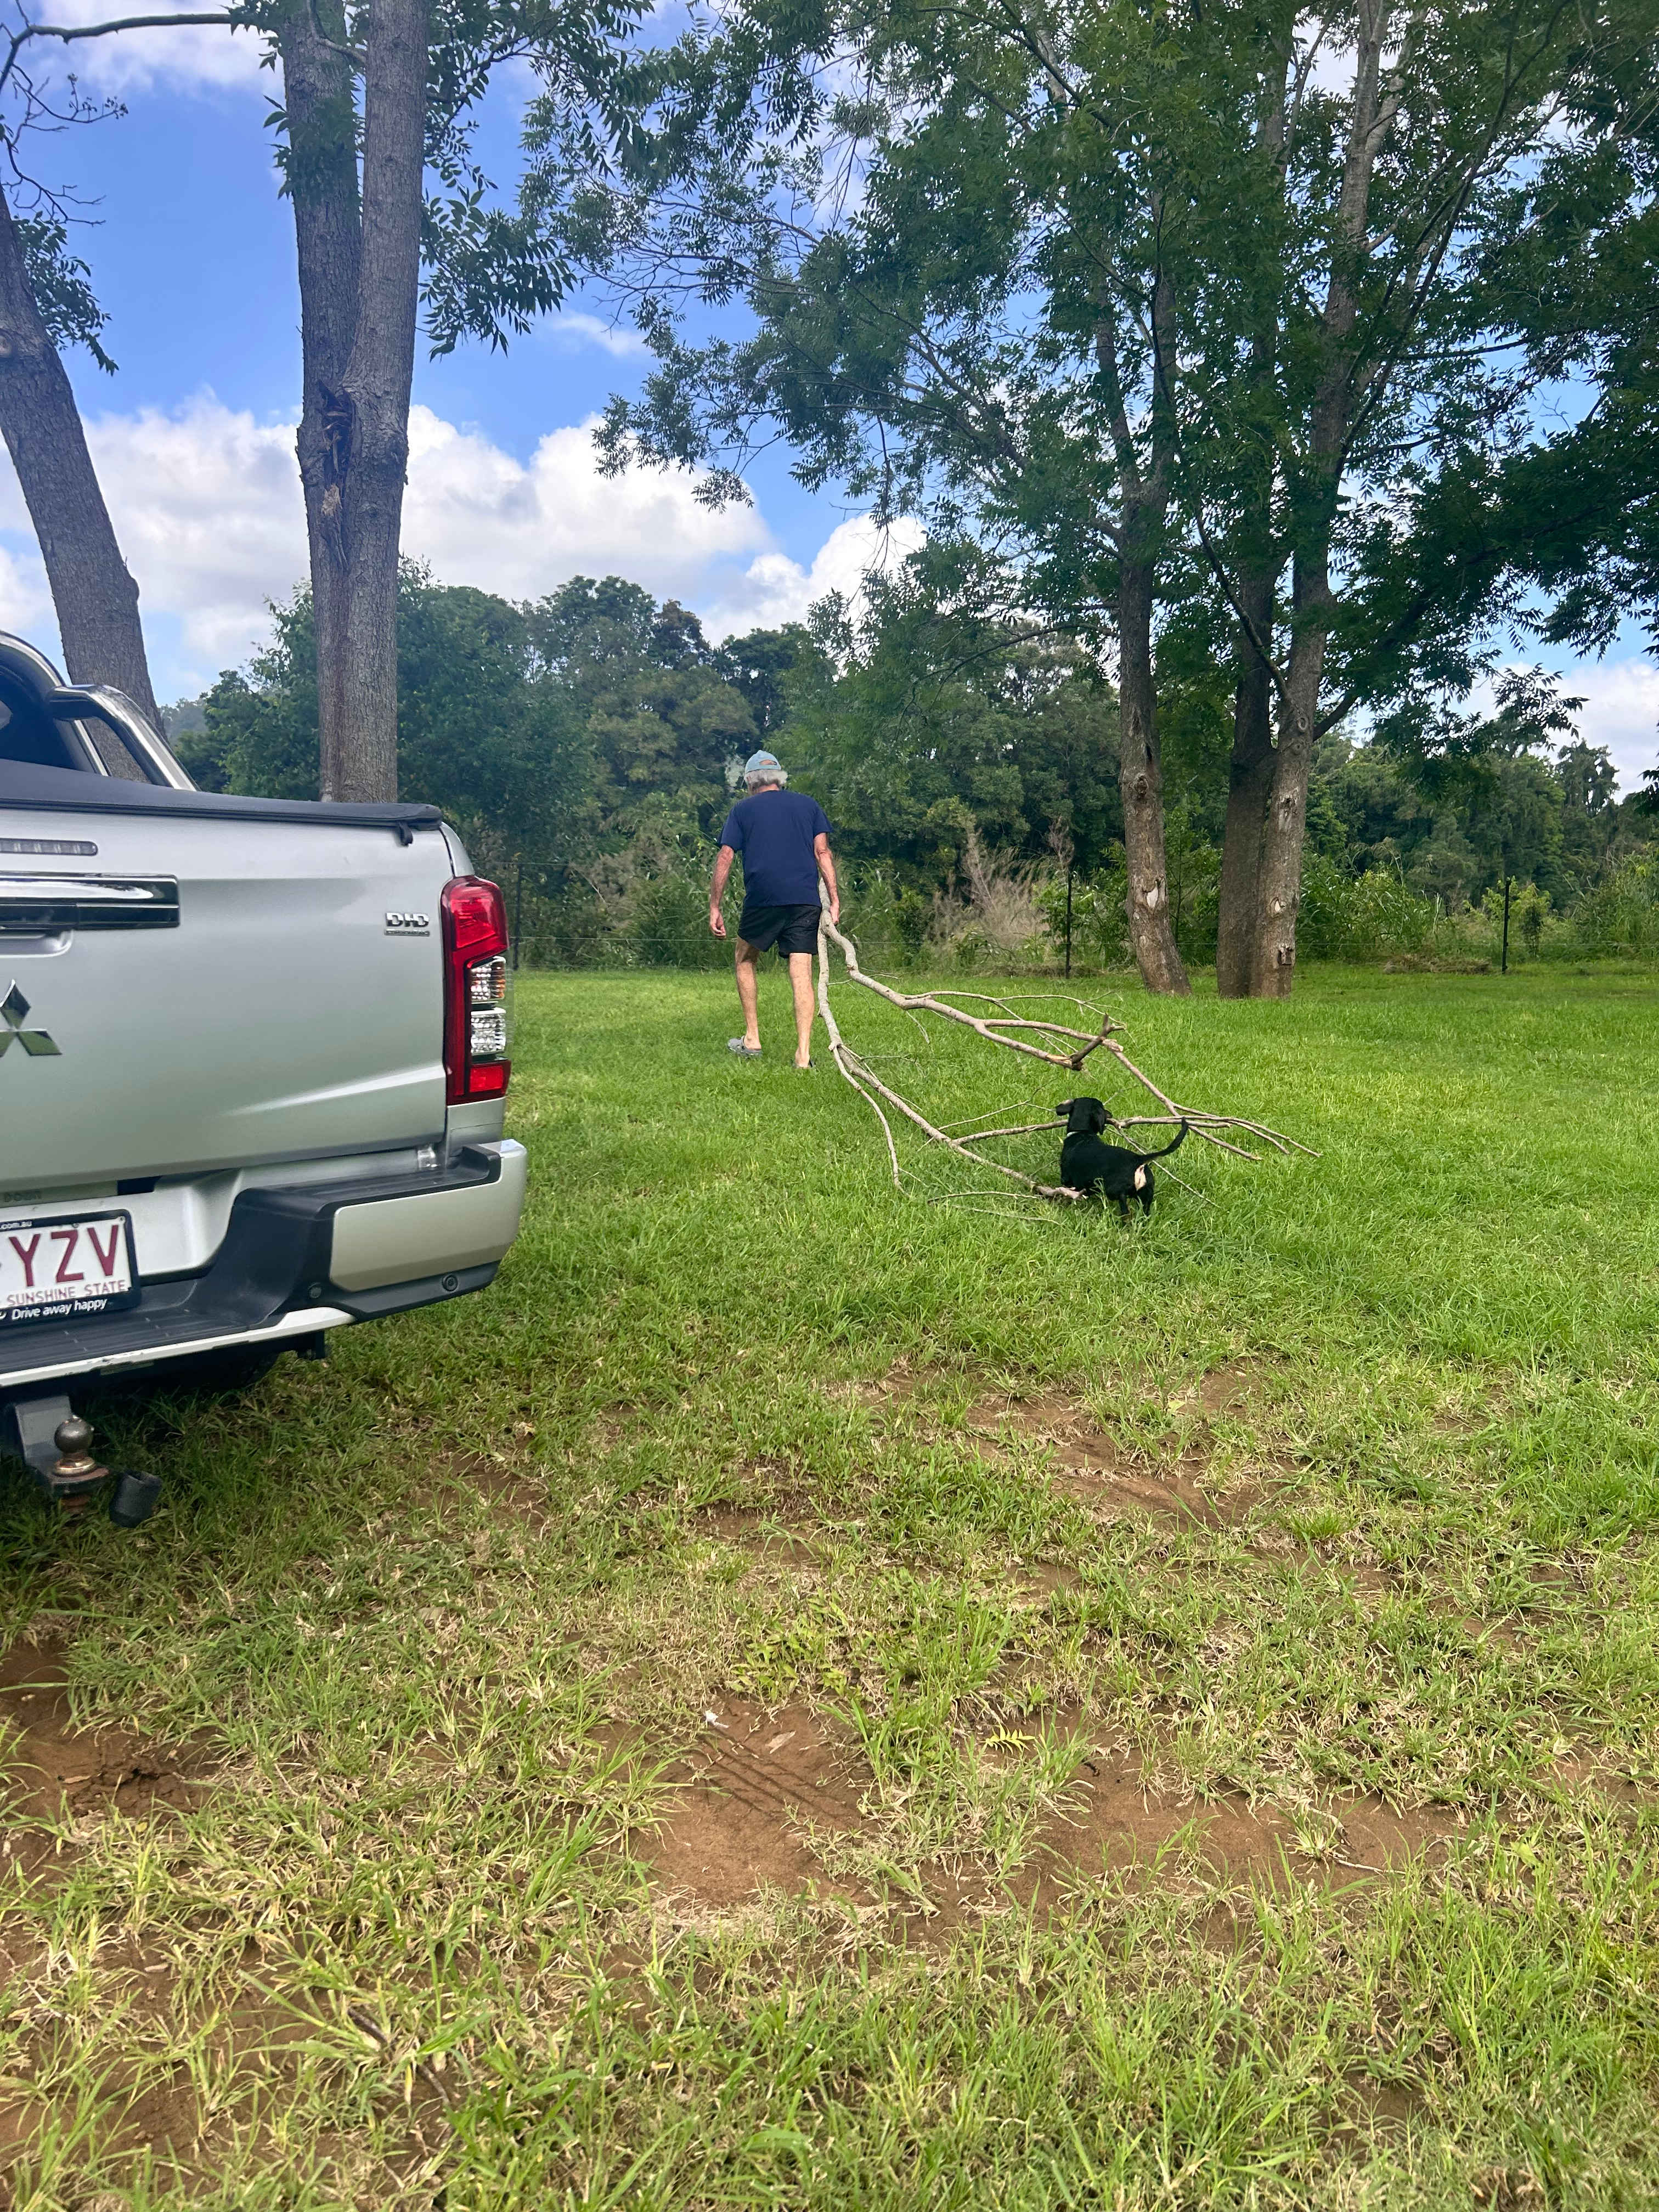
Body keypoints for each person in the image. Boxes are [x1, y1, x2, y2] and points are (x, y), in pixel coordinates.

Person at [709, 750, 840, 1069]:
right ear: (779, 779)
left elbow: (726, 856)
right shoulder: (808, 805)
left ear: (750, 782)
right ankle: (803, 1055)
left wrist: (715, 905)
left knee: (745, 958)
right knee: (801, 971)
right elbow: (823, 852)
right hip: (805, 899)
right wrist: (835, 899)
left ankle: (752, 1039)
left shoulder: (742, 810)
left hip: (763, 898)